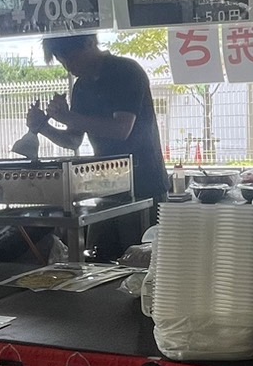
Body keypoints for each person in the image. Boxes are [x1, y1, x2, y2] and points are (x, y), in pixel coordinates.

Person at [26, 33, 167, 259]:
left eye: (71, 58)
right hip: (108, 186)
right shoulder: (81, 86)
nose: (68, 66)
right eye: (63, 61)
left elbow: (121, 129)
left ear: (91, 44)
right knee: (102, 259)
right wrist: (43, 127)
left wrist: (66, 117)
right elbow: (73, 140)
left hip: (144, 184)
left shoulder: (126, 71)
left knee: (141, 260)